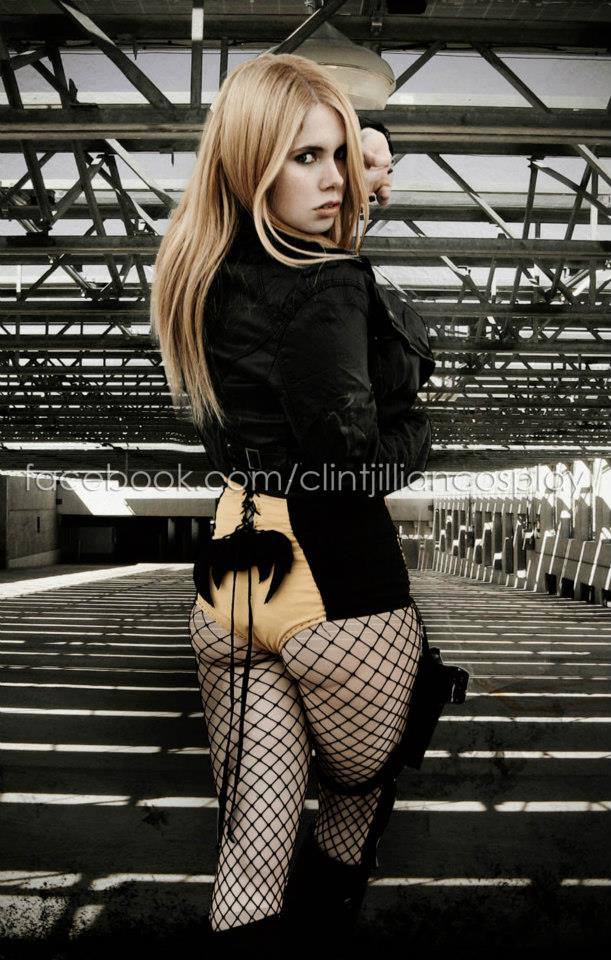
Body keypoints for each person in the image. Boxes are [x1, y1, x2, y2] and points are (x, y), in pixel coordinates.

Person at [151, 52, 436, 948]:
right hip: (334, 581)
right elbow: (350, 465)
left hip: (231, 580)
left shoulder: (195, 273)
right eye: (303, 157)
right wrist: (420, 430)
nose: (334, 178)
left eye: (338, 155)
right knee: (356, 797)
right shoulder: (330, 281)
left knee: (250, 851)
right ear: (251, 164)